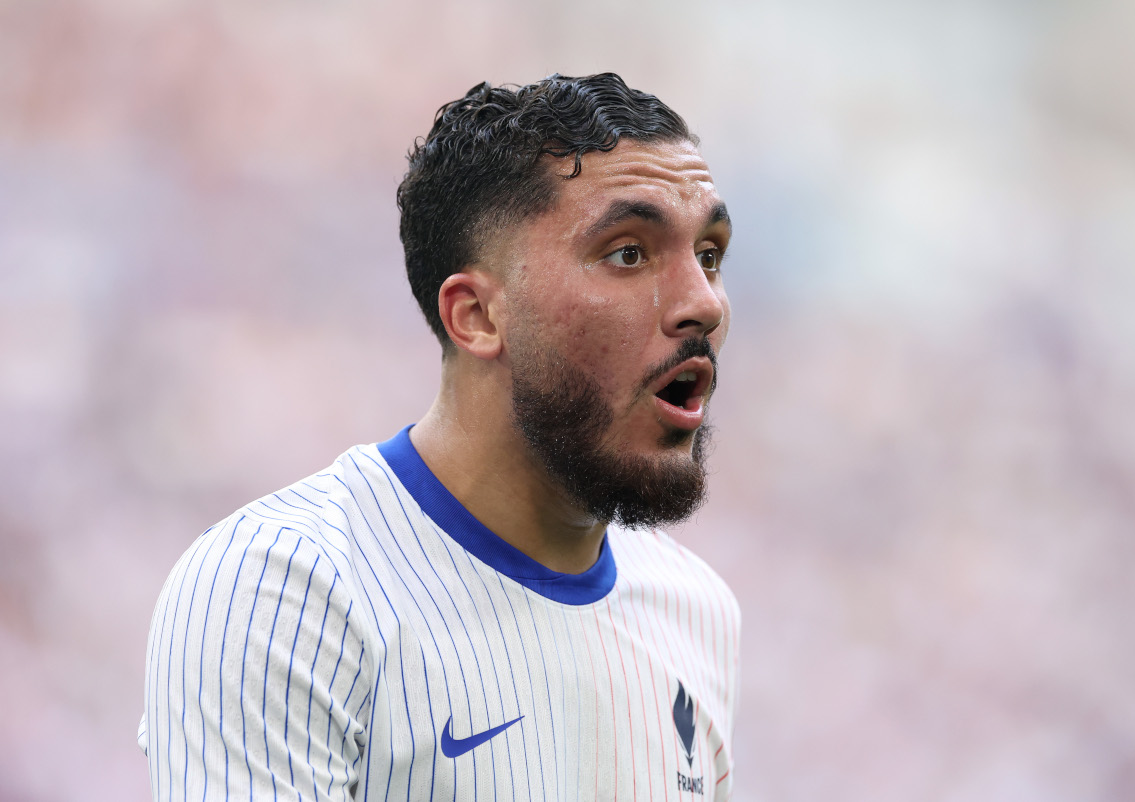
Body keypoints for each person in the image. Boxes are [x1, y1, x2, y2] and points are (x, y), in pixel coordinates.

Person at [140, 72, 739, 801]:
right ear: (478, 317)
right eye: (628, 253)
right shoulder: (283, 592)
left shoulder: (697, 609)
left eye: (709, 255)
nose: (704, 303)